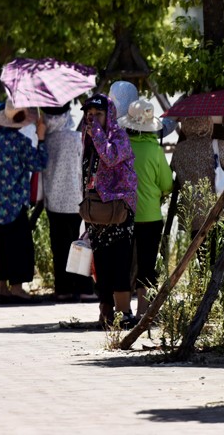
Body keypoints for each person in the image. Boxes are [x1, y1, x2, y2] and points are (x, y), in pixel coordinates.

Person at [80, 93, 138, 327]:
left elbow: (111, 157)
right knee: (101, 261)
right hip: (96, 207)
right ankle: (105, 313)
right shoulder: (86, 138)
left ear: (110, 115)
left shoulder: (119, 137)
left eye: (98, 114)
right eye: (89, 115)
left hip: (119, 207)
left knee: (120, 260)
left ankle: (124, 312)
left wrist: (96, 133)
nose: (93, 119)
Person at [0, 99, 48, 301]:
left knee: (0, 246)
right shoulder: (20, 142)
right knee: (19, 247)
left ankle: (1, 287)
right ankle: (17, 288)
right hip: (14, 203)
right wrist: (42, 139)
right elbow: (39, 163)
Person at [117, 99, 173, 318]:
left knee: (122, 261)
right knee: (147, 263)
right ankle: (143, 310)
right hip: (149, 216)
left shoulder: (121, 148)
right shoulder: (154, 150)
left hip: (122, 214)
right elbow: (167, 184)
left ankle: (122, 310)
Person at [41, 103, 96, 302]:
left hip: (53, 202)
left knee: (60, 248)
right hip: (76, 201)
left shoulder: (45, 141)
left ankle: (62, 289)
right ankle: (84, 288)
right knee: (81, 245)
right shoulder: (75, 138)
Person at [170, 116, 224, 251]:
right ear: (208, 124)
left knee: (203, 261)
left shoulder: (179, 150)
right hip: (219, 211)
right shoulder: (218, 145)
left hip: (193, 214)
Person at [109, 80, 176, 139]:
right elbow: (162, 130)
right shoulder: (144, 125)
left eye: (112, 99)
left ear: (124, 102)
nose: (109, 104)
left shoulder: (110, 127)